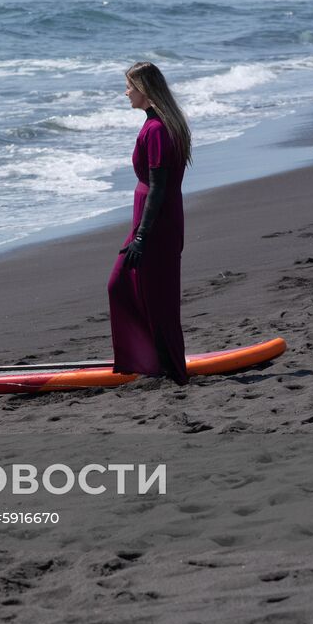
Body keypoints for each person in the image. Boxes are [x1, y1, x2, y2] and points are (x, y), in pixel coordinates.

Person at [107, 62, 192, 385]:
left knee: (157, 297)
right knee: (129, 287)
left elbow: (158, 186)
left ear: (145, 88)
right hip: (152, 218)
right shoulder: (158, 123)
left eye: (129, 86)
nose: (126, 92)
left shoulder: (157, 129)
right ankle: (152, 361)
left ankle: (170, 369)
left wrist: (142, 235)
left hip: (156, 222)